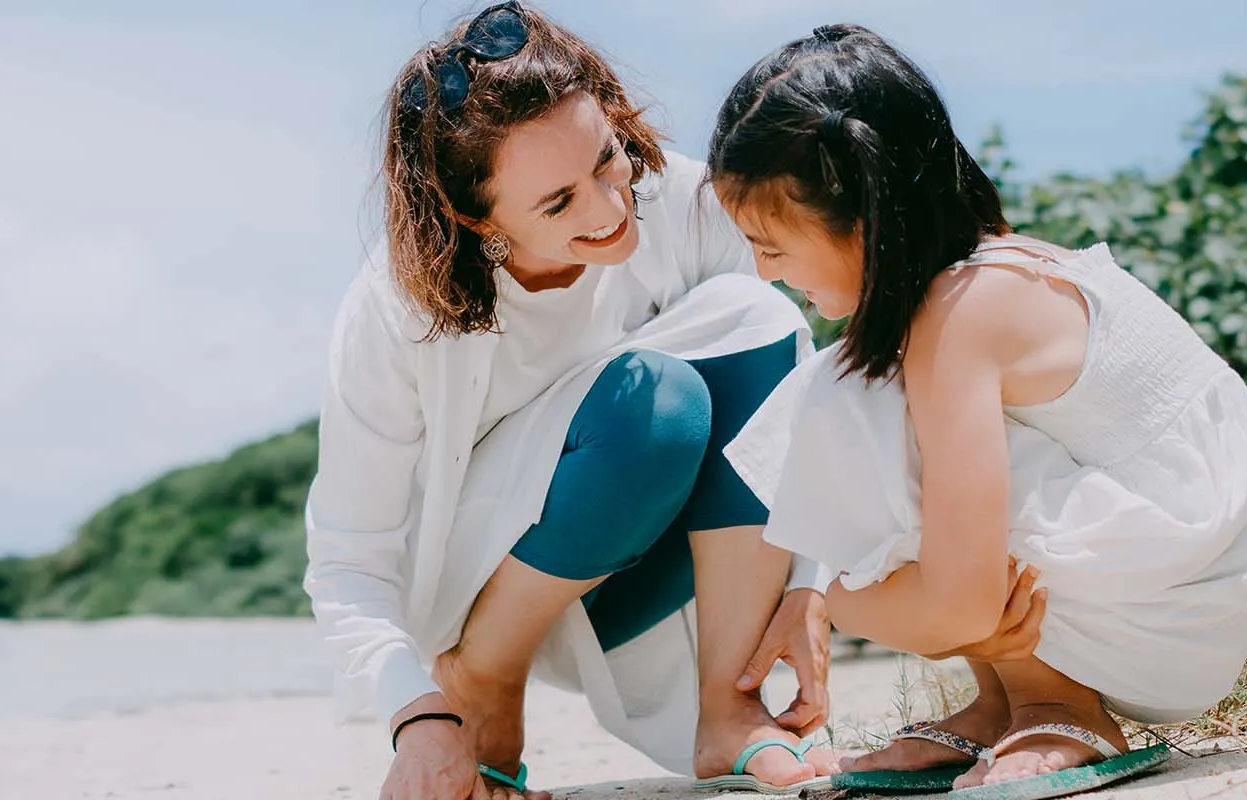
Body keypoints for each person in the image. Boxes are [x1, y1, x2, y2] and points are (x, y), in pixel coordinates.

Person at [709, 24, 1247, 790]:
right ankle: (1001, 701)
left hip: (1184, 584)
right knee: (856, 393)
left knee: (856, 407)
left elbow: (957, 607)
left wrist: (841, 603)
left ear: (867, 216)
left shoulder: (964, 311)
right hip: (1183, 560)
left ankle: (1061, 701)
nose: (762, 268)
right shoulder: (966, 285)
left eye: (770, 241)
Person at [302, 4, 843, 798]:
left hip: (646, 584)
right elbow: (348, 561)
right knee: (653, 405)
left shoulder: (683, 202)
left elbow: (811, 393)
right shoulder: (396, 312)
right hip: (480, 592)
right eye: (557, 204)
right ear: (473, 216)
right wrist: (418, 716)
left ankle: (729, 710)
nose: (609, 208)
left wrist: (811, 583)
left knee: (760, 314)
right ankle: (485, 678)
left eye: (607, 158)